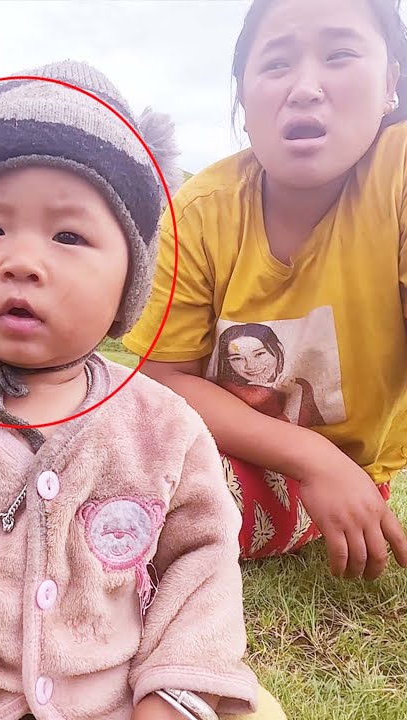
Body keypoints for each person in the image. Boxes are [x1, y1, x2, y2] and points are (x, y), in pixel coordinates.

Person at [0, 61, 284, 720]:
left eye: (69, 236)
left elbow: (201, 560)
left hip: (116, 700)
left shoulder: (166, 428)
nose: (22, 261)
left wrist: (173, 685)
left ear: (131, 278)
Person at [123, 0, 407, 568]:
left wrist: (325, 466)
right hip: (203, 441)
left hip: (343, 481)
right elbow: (161, 378)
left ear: (390, 86)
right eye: (276, 64)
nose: (305, 88)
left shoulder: (397, 179)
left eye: (340, 54)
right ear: (244, 101)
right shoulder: (201, 211)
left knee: (146, 513)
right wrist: (307, 453)